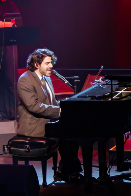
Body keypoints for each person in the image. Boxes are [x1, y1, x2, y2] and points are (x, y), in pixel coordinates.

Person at [16, 48, 83, 181]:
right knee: (68, 136)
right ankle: (69, 172)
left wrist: (67, 107)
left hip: (47, 123)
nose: (51, 66)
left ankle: (67, 172)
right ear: (37, 64)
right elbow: (34, 106)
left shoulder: (46, 78)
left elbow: (51, 102)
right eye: (47, 63)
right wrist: (59, 111)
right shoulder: (25, 80)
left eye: (51, 62)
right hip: (33, 127)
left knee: (72, 133)